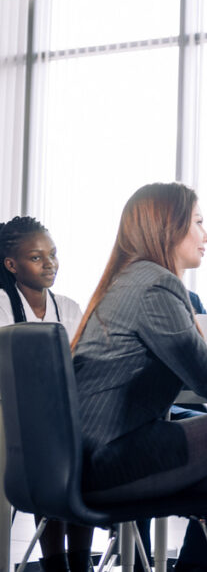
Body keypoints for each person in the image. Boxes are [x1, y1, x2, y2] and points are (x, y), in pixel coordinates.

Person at [69, 183, 207, 572]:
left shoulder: (128, 280)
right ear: (168, 228)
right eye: (198, 222)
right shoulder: (156, 286)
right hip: (111, 461)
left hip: (86, 459)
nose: (206, 235)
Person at [0, 217, 94, 572]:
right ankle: (56, 562)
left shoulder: (68, 307)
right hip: (19, 417)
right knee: (57, 455)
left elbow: (86, 364)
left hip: (69, 412)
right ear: (12, 265)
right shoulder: (2, 305)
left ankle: (80, 563)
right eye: (37, 257)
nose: (50, 263)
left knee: (84, 451)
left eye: (52, 254)